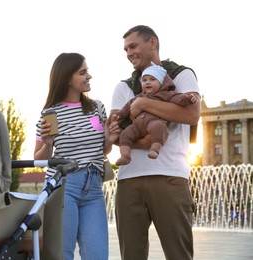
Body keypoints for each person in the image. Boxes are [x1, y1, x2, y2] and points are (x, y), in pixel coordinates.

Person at [110, 25, 200, 260]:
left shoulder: (182, 75)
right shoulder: (123, 87)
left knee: (179, 255)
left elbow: (191, 115)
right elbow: (118, 135)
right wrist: (149, 137)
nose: (128, 53)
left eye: (133, 46)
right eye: (125, 49)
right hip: (128, 181)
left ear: (152, 43)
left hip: (170, 176)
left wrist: (143, 105)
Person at [34, 52, 115, 260]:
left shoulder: (96, 108)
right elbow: (40, 161)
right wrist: (49, 144)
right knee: (62, 254)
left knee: (97, 255)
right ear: (67, 78)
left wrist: (110, 138)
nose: (89, 76)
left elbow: (102, 150)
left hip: (94, 189)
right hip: (64, 187)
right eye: (83, 72)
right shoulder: (50, 114)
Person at [113, 63, 198, 166]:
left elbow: (178, 98)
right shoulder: (138, 97)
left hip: (154, 121)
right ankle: (125, 155)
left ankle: (155, 149)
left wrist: (188, 98)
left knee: (158, 128)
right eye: (144, 80)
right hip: (136, 125)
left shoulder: (166, 94)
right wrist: (119, 115)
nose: (148, 82)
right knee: (125, 134)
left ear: (161, 82)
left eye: (152, 79)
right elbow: (127, 107)